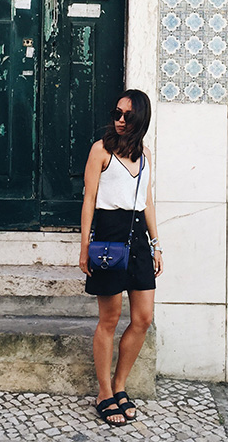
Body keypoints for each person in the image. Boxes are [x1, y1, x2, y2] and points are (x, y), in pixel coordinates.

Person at [79, 88, 164, 426]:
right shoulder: (101, 151)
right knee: (110, 320)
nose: (120, 120)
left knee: (143, 318)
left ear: (140, 119)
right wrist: (85, 245)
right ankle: (103, 392)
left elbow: (147, 203)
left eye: (127, 116)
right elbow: (89, 200)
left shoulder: (145, 156)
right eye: (117, 113)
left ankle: (120, 385)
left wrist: (156, 244)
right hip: (108, 240)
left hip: (138, 241)